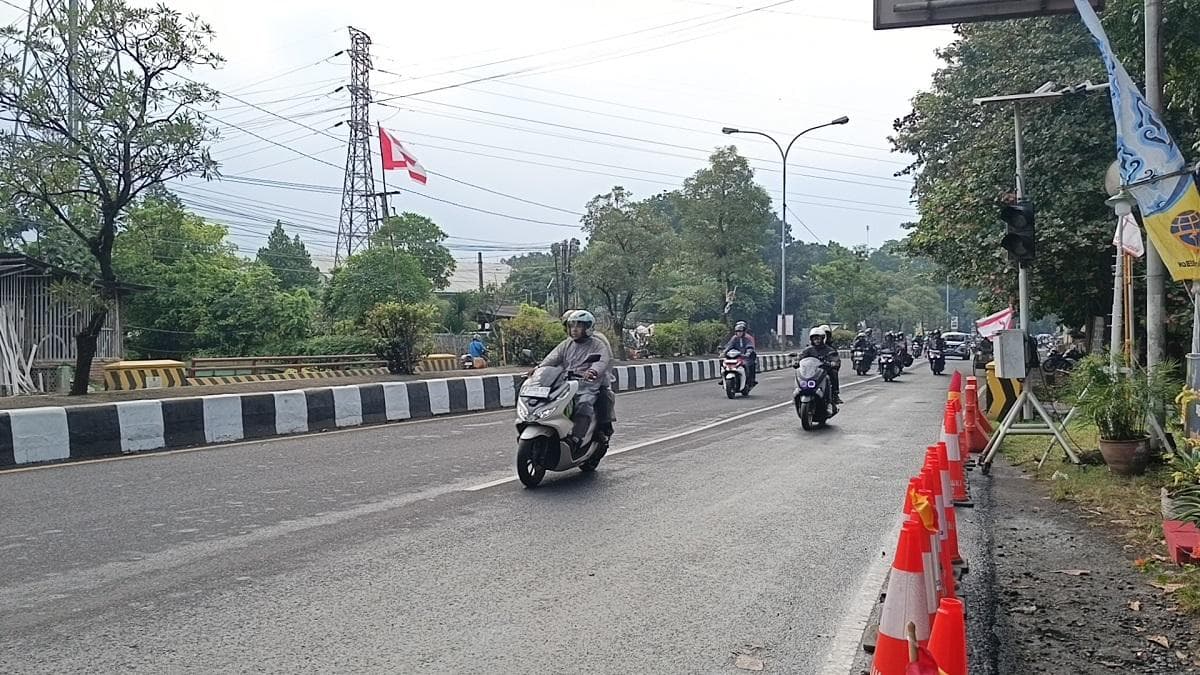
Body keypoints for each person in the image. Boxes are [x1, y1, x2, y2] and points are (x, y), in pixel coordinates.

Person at [541, 310, 612, 452]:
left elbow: (601, 361)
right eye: (572, 326)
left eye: (578, 326)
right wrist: (538, 368)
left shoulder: (597, 344)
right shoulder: (566, 344)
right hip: (565, 383)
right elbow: (552, 358)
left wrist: (592, 371)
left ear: (588, 328)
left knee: (584, 403)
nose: (574, 329)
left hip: (587, 384)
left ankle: (577, 438)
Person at [799, 326, 842, 405]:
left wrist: (833, 362)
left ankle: (835, 394)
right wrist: (795, 362)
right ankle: (798, 393)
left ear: (822, 339)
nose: (816, 341)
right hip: (811, 371)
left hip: (824, 370)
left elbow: (835, 357)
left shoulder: (829, 349)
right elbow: (801, 357)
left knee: (833, 373)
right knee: (799, 375)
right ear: (811, 339)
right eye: (814, 339)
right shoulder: (808, 350)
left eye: (818, 339)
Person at [722, 320, 758, 389]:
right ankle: (724, 378)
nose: (739, 333)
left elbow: (750, 347)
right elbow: (729, 346)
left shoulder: (748, 338)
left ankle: (749, 380)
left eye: (740, 331)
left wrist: (748, 353)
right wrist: (724, 352)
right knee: (723, 364)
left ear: (744, 331)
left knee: (749, 365)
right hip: (735, 357)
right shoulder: (734, 338)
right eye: (737, 331)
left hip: (746, 357)